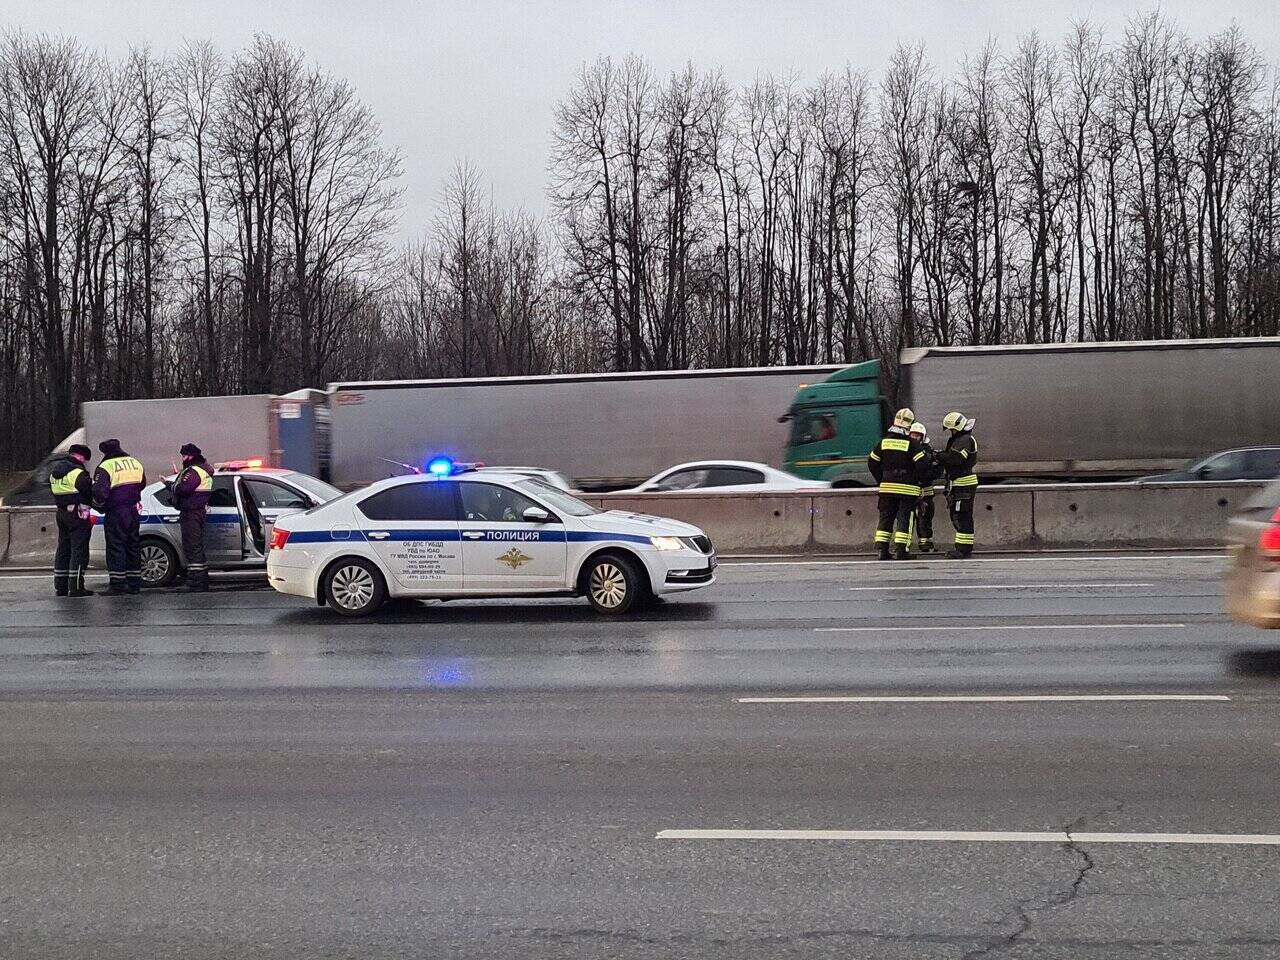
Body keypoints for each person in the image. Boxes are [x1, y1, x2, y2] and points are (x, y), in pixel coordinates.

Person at [868, 406, 929, 561]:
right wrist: (920, 480)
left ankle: (882, 550)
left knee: (886, 517)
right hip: (908, 489)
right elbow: (922, 465)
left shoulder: (883, 443)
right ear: (909, 426)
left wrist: (881, 479)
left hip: (887, 488)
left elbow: (872, 463)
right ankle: (901, 551)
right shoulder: (913, 445)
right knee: (905, 518)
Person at [92, 439, 147, 594]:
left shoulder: (105, 466)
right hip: (133, 510)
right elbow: (142, 483)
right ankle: (134, 583)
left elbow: (99, 492)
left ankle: (117, 584)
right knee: (133, 545)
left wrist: (98, 505)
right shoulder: (134, 462)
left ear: (105, 452)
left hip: (116, 511)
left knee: (116, 546)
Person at [48, 443, 96, 597]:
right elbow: (89, 492)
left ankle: (61, 586)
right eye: (84, 459)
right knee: (79, 550)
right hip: (77, 514)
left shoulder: (54, 473)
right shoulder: (77, 473)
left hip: (61, 513)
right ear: (80, 456)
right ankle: (76, 587)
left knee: (63, 549)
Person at [171, 443, 214, 592]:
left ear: (191, 456)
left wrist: (173, 486)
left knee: (192, 547)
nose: (183, 458)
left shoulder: (194, 471)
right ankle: (201, 579)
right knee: (196, 546)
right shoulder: (203, 470)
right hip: (198, 511)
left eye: (184, 455)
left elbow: (183, 488)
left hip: (191, 513)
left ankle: (196, 583)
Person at [936, 411, 979, 558]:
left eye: (952, 430)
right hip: (959, 484)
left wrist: (938, 455)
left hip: (963, 485)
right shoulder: (961, 439)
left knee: (962, 516)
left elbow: (955, 459)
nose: (951, 432)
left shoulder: (964, 440)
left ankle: (963, 550)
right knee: (958, 515)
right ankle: (963, 548)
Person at [909, 421, 940, 553]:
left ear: (922, 437)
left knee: (925, 519)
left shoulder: (928, 452)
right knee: (907, 520)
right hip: (910, 492)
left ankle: (926, 545)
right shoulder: (906, 450)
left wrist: (925, 476)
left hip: (926, 493)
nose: (914, 438)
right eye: (913, 435)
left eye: (917, 435)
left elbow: (937, 470)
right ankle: (904, 546)